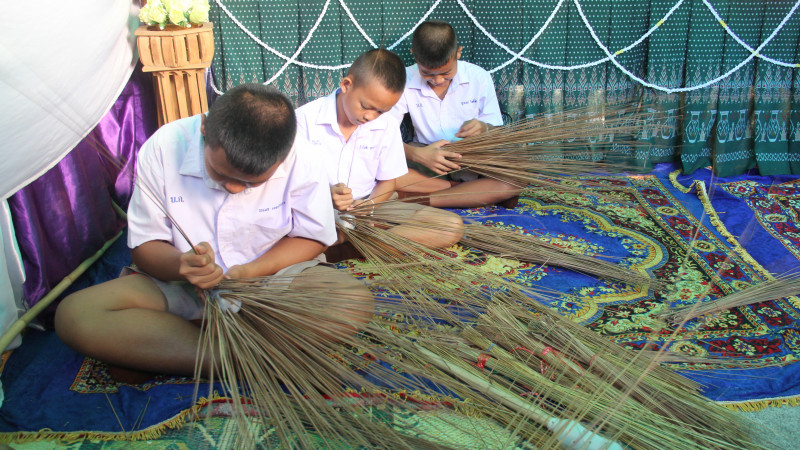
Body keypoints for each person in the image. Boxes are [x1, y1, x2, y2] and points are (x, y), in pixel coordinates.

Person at [54, 84, 373, 381]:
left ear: (284, 154)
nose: (234, 189)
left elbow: (313, 236)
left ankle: (183, 349)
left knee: (352, 302)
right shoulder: (164, 147)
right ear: (205, 128)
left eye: (252, 183)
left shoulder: (302, 155)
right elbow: (145, 245)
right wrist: (181, 265)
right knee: (75, 315)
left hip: (274, 279)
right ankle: (246, 356)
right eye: (221, 174)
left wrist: (251, 270)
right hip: (181, 286)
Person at [294, 48, 464, 260]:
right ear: (347, 85)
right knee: (283, 231)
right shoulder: (304, 120)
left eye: (381, 111)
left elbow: (388, 183)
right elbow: (289, 185)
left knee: (450, 226)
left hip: (368, 208)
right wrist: (325, 195)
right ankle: (350, 244)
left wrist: (370, 206)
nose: (370, 117)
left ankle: (343, 249)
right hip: (317, 210)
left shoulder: (386, 125)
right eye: (366, 106)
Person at [391, 20, 521, 208]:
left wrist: (484, 129)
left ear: (458, 53)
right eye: (427, 74)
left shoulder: (479, 77)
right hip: (426, 154)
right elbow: (383, 136)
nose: (438, 80)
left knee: (517, 178)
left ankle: (426, 199)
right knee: (383, 172)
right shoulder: (403, 79)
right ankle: (467, 192)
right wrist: (418, 154)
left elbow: (496, 132)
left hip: (473, 157)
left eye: (446, 73)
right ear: (415, 56)